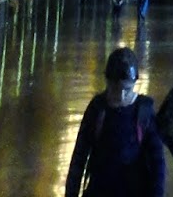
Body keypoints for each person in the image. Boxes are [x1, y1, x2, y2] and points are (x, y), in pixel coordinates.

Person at [66, 46, 167, 197]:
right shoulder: (97, 109)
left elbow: (157, 162)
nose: (121, 95)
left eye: (127, 89)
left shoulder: (144, 111)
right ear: (107, 81)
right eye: (115, 88)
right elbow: (79, 156)